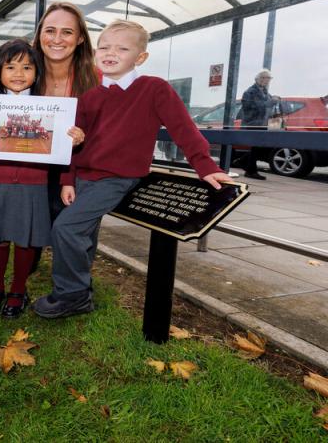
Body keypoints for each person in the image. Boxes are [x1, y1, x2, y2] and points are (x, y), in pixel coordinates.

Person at [33, 19, 232, 319]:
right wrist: (68, 180)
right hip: (84, 176)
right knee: (83, 233)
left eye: (122, 48)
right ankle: (80, 287)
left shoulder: (153, 89)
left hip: (116, 179)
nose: (110, 53)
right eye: (104, 47)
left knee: (66, 228)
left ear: (140, 57)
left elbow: (183, 128)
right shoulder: (90, 97)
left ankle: (72, 295)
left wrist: (205, 166)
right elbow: (72, 143)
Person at [0, 39, 84, 318]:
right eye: (10, 66)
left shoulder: (51, 108)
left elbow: (63, 150)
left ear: (37, 73)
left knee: (26, 237)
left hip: (33, 182)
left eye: (27, 67)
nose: (18, 73)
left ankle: (18, 289)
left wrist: (72, 142)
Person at [32, 2, 101, 224]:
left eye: (67, 32)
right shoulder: (23, 73)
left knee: (72, 237)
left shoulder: (96, 79)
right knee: (30, 237)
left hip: (78, 171)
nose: (57, 39)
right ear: (40, 34)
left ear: (80, 38)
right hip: (32, 168)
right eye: (50, 30)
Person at [240, 69, 279, 180]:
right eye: (264, 78)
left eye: (268, 78)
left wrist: (275, 99)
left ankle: (243, 161)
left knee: (262, 146)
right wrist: (271, 102)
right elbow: (256, 106)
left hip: (262, 123)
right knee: (257, 146)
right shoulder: (251, 91)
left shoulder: (265, 91)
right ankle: (250, 170)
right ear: (258, 79)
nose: (266, 80)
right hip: (253, 123)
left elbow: (267, 105)